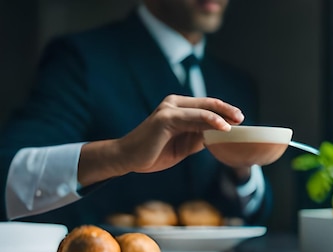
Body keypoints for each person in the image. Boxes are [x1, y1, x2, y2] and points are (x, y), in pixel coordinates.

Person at [0, 0, 271, 229]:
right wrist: (120, 153)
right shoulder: (80, 59)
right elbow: (7, 173)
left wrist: (242, 174)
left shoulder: (236, 84)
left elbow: (253, 213)